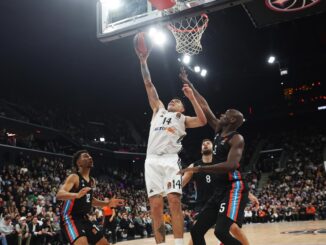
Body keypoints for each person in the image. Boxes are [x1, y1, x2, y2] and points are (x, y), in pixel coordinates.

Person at [135, 35, 207, 245]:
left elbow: (202, 121)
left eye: (178, 100)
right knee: (155, 206)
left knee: (174, 201)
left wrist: (192, 97)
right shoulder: (158, 109)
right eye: (172, 99)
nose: (174, 100)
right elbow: (148, 83)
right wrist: (143, 61)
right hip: (151, 160)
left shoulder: (183, 119)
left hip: (169, 160)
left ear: (182, 108)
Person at [179, 68, 251, 245]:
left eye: (227, 114)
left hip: (234, 187)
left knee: (221, 232)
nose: (222, 114)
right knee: (196, 231)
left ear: (233, 120)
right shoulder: (219, 131)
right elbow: (205, 106)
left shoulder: (236, 138)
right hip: (220, 189)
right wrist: (190, 84)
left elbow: (231, 165)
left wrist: (200, 168)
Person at [183, 139, 259, 245]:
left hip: (221, 201)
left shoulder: (221, 165)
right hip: (203, 204)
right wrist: (170, 190)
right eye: (203, 144)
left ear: (213, 148)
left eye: (208, 143)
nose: (205, 144)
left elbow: (233, 182)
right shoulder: (194, 166)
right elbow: (182, 182)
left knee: (234, 228)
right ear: (201, 150)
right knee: (196, 232)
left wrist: (249, 195)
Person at [56, 150, 124, 245]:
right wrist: (76, 195)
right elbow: (59, 194)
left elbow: (90, 200)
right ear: (78, 163)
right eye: (85, 156)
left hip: (84, 218)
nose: (90, 158)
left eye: (90, 156)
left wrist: (107, 203)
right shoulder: (74, 177)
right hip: (70, 218)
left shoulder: (92, 181)